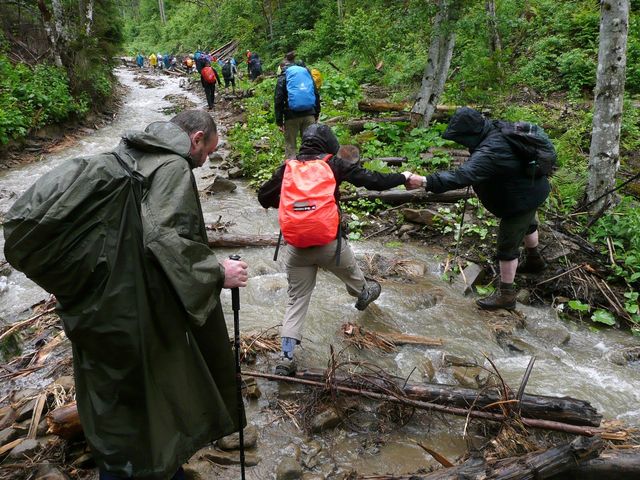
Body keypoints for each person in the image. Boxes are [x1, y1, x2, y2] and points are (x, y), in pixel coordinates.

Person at [3, 110, 249, 479]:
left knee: (113, 404)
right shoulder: (172, 166)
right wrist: (217, 273)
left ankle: (126, 467)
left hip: (94, 305)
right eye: (208, 152)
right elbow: (165, 238)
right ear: (196, 138)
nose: (206, 161)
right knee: (150, 400)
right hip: (134, 311)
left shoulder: (127, 154)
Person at [257, 124, 423, 375]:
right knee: (362, 286)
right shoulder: (334, 164)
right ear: (329, 144)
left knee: (296, 302)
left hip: (297, 250)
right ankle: (363, 293)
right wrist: (403, 177)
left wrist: (293, 202)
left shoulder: (287, 169)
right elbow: (372, 180)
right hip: (331, 247)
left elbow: (263, 197)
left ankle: (286, 358)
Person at [415, 107, 550, 310]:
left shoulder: (492, 149)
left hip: (521, 200)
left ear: (471, 132)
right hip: (532, 190)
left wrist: (425, 181)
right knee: (528, 225)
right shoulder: (495, 129)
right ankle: (534, 260)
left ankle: (506, 295)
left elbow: (462, 176)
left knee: (507, 246)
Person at [274, 59, 321, 158]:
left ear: (282, 68)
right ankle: (310, 165)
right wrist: (316, 114)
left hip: (291, 116)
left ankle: (292, 165)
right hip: (309, 114)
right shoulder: (306, 74)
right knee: (310, 145)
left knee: (291, 146)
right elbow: (316, 94)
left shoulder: (284, 76)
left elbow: (278, 99)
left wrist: (279, 121)